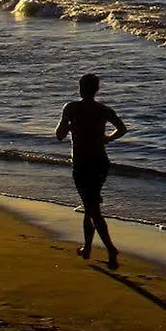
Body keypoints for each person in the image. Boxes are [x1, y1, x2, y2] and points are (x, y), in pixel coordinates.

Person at [54, 72, 127, 267]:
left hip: (82, 163)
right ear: (97, 89)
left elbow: (59, 135)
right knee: (90, 206)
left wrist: (69, 126)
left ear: (80, 88)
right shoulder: (103, 109)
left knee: (92, 208)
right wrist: (108, 138)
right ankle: (87, 248)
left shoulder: (71, 108)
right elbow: (122, 128)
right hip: (101, 162)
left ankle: (111, 249)